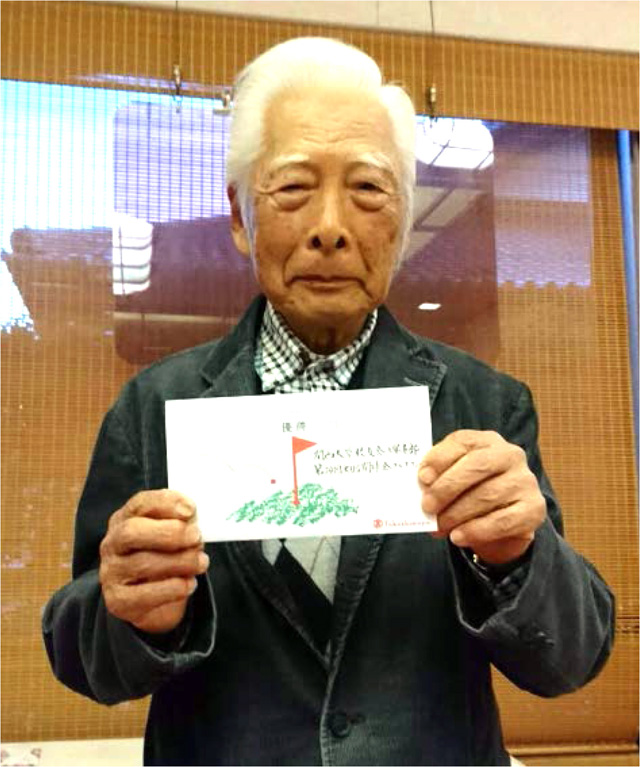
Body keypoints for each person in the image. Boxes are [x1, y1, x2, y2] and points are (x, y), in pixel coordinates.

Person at [43, 37, 614, 766]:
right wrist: (127, 611)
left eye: (369, 188)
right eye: (292, 187)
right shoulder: (153, 407)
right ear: (241, 217)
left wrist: (518, 560)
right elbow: (78, 653)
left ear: (402, 220)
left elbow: (571, 657)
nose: (330, 228)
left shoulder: (484, 404)